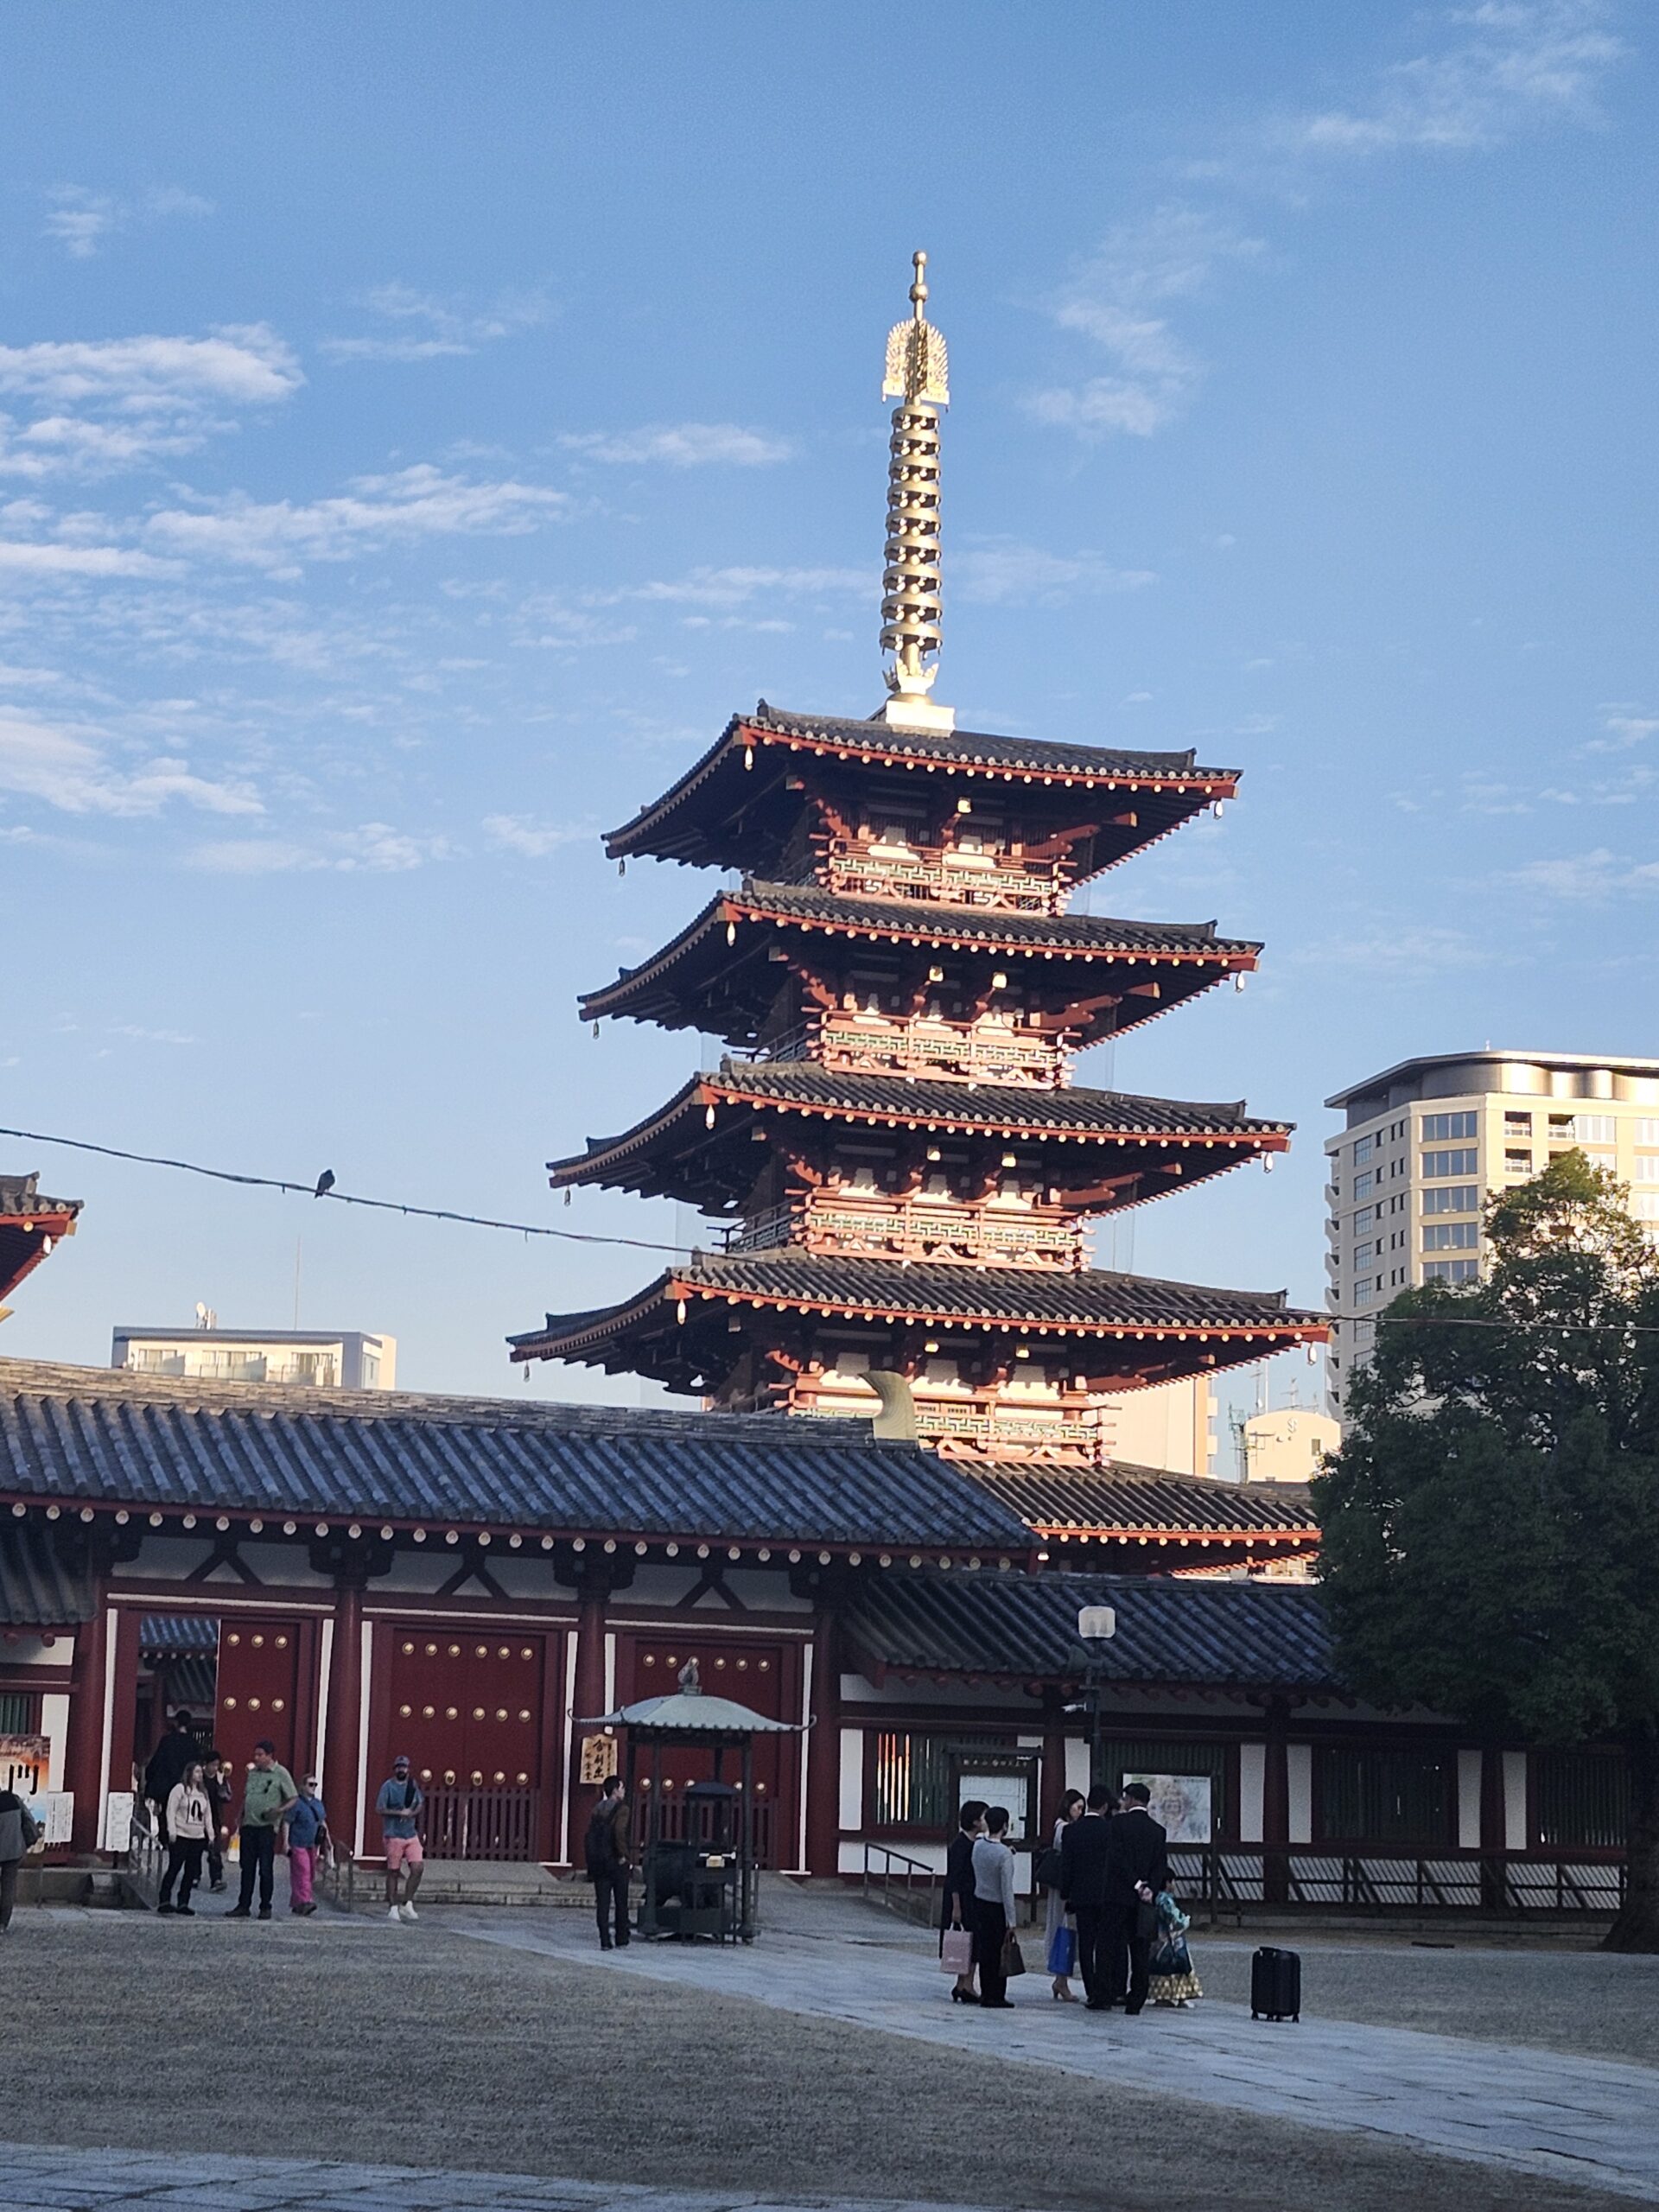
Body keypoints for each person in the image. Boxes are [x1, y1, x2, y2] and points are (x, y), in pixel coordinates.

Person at [1103, 1780, 1170, 2016]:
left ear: (1130, 1799)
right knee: (1140, 1949)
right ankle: (1137, 1998)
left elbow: (1116, 1858)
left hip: (1118, 1895)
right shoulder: (1157, 1831)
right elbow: (1160, 1865)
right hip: (1145, 1900)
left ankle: (1106, 1993)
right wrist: (1149, 1888)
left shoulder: (1118, 1824)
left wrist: (1135, 1883)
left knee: (1111, 1946)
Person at [1059, 1783, 1116, 2010]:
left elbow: (1067, 1866)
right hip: (1106, 1894)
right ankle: (1105, 1988)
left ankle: (1091, 1989)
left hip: (1081, 1894)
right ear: (1104, 1807)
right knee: (1105, 1943)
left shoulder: (1072, 1831)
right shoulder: (1110, 1830)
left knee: (1086, 1943)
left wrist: (1066, 1893)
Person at [226, 1740, 297, 1920]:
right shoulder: (253, 1773)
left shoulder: (280, 1773)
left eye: (260, 1755)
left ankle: (265, 1906)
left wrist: (279, 1810)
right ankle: (243, 1905)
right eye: (255, 1754)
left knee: (265, 1868)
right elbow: (247, 1796)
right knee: (247, 1868)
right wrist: (240, 1815)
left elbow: (293, 1797)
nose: (256, 1758)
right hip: (249, 1825)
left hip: (267, 1827)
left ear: (269, 1755)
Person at [970, 1803, 1018, 2011]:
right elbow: (1007, 1889)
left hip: (980, 1900)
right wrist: (1012, 1920)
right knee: (999, 1951)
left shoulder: (978, 1845)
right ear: (1005, 1826)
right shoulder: (1003, 1854)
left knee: (985, 1950)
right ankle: (997, 1994)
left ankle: (985, 1991)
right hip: (997, 1906)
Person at [940, 1799, 986, 2003]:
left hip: (971, 1897)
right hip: (963, 1898)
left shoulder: (973, 1844)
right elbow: (955, 1879)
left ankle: (963, 1984)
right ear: (975, 1821)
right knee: (969, 1940)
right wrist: (956, 1906)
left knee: (970, 1941)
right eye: (983, 1817)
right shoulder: (961, 1845)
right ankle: (966, 1984)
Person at [156, 1762, 213, 1916]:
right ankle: (164, 1899)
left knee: (191, 1870)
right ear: (189, 1773)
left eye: (200, 1772)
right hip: (181, 1834)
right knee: (175, 1867)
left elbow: (207, 1815)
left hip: (197, 1836)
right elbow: (171, 1810)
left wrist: (211, 1834)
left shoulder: (203, 1793)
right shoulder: (180, 1789)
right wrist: (172, 1830)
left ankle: (184, 1901)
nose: (199, 1775)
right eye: (196, 1772)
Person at [1044, 1789, 1085, 2000]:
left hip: (1062, 1886)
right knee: (1064, 1929)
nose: (1080, 1812)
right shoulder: (1064, 1829)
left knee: (1065, 1930)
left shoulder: (1062, 1827)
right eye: (1078, 1807)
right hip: (1063, 1887)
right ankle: (1061, 1980)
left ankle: (1061, 1980)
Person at [582, 1772, 631, 1949]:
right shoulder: (622, 1809)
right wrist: (623, 1855)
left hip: (599, 1860)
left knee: (602, 1902)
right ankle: (621, 1937)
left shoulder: (597, 1808)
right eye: (622, 1788)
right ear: (616, 1790)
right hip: (615, 1860)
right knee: (621, 1901)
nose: (623, 1791)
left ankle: (604, 1939)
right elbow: (619, 1832)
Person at [376, 1754, 425, 1922]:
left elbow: (419, 1803)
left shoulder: (412, 1785)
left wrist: (412, 1813)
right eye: (399, 1767)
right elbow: (380, 1808)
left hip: (410, 1833)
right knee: (393, 1871)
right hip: (393, 1834)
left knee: (418, 1868)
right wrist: (398, 1813)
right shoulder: (388, 1787)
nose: (401, 1770)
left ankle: (407, 1901)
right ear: (395, 1769)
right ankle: (392, 1906)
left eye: (404, 1767)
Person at [142, 1710, 198, 1846]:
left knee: (167, 1813)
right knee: (184, 1813)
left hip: (167, 1785)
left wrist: (149, 1776)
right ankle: (182, 1840)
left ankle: (165, 1840)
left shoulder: (167, 1741)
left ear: (176, 1722)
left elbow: (157, 1762)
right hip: (186, 1785)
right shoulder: (193, 1744)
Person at [1148, 1887, 1202, 2008]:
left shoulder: (1154, 1897)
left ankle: (1162, 1996)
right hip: (1173, 1941)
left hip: (1158, 1941)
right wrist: (1186, 1920)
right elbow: (1176, 1920)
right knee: (1180, 1966)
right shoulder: (1165, 1900)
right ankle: (1181, 1996)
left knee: (1160, 1968)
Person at [285, 1774, 329, 1916]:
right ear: (303, 1786)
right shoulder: (296, 1803)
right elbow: (287, 1822)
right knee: (303, 1871)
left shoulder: (318, 1803)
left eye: (315, 1785)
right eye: (310, 1784)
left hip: (312, 1843)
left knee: (310, 1873)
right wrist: (286, 1843)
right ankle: (306, 1900)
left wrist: (328, 1841)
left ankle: (296, 1902)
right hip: (298, 1842)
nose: (313, 1787)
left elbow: (322, 1822)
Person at [0, 1785, 41, 1935]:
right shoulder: (14, 1800)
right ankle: (3, 1923)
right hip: (14, 1849)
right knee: (8, 1886)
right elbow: (29, 1820)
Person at [202, 1754, 233, 1891]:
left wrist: (221, 1785)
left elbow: (227, 1798)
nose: (215, 1768)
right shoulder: (200, 1777)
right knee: (195, 1849)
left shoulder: (220, 1779)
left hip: (215, 1818)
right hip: (199, 1817)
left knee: (215, 1850)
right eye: (213, 1765)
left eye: (217, 1765)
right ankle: (194, 1875)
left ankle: (216, 1879)